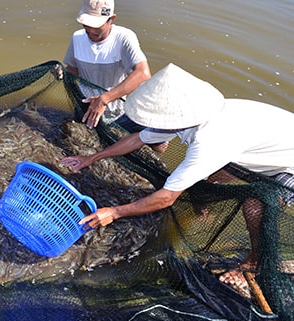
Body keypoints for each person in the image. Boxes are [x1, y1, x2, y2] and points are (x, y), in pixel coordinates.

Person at [60, 63, 294, 295]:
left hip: (289, 163)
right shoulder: (190, 117)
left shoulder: (210, 141)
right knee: (210, 176)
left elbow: (166, 198)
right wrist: (92, 158)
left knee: (255, 204)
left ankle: (254, 262)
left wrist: (114, 212)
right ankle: (203, 210)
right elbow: (137, 139)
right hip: (257, 151)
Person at [62, 0, 167, 152]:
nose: (90, 30)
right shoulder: (77, 38)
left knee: (160, 145)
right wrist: (63, 73)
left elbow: (142, 73)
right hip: (86, 106)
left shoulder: (124, 38)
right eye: (86, 25)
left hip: (118, 111)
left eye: (96, 26)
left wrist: (104, 99)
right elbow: (72, 69)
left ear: (111, 19)